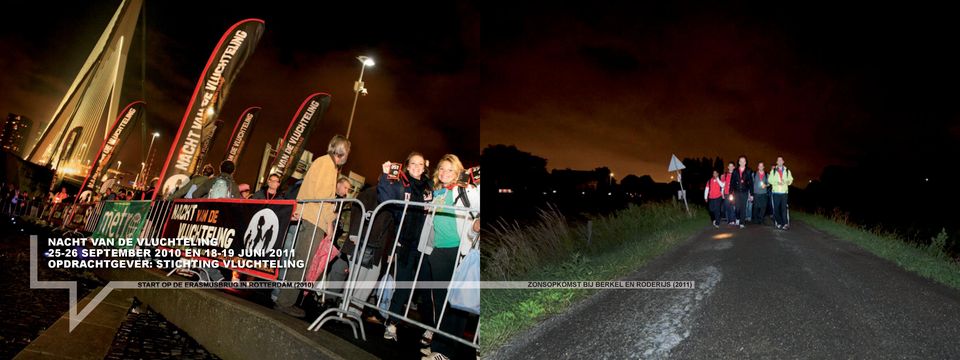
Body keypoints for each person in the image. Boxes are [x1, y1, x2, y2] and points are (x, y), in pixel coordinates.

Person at [274, 135, 351, 318]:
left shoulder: (323, 162)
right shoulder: (328, 166)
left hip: (310, 217)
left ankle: (285, 300)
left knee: (301, 261)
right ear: (343, 150)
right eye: (348, 150)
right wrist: (330, 223)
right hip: (314, 220)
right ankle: (285, 302)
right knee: (302, 263)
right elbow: (323, 197)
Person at [420, 154, 480, 360]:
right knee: (441, 301)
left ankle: (443, 351)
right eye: (442, 169)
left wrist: (475, 227)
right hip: (439, 251)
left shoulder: (465, 189)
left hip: (457, 251)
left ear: (458, 172)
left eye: (450, 170)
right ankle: (441, 345)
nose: (444, 173)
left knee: (454, 303)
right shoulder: (437, 192)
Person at [380, 152, 436, 344]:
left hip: (426, 246)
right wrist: (386, 176)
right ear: (407, 165)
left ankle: (430, 329)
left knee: (427, 290)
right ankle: (392, 323)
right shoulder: (400, 183)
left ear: (425, 167)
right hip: (406, 244)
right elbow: (385, 198)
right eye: (413, 163)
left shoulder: (431, 186)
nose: (417, 167)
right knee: (403, 286)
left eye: (420, 164)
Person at [769, 156, 794, 230]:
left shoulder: (787, 171)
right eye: (778, 160)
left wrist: (787, 182)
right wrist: (777, 183)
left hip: (784, 193)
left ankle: (785, 224)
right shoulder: (773, 171)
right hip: (776, 193)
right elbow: (770, 180)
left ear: (783, 162)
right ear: (777, 162)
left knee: (784, 209)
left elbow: (791, 179)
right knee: (776, 209)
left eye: (781, 160)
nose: (779, 161)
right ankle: (779, 223)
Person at [730, 155, 753, 229]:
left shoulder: (749, 171)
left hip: (744, 191)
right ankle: (737, 218)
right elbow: (732, 182)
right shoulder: (735, 171)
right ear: (739, 162)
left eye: (744, 161)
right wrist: (730, 192)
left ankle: (742, 222)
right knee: (737, 207)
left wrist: (751, 194)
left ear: (745, 162)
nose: (742, 162)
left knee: (743, 207)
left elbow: (751, 183)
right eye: (741, 161)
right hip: (737, 191)